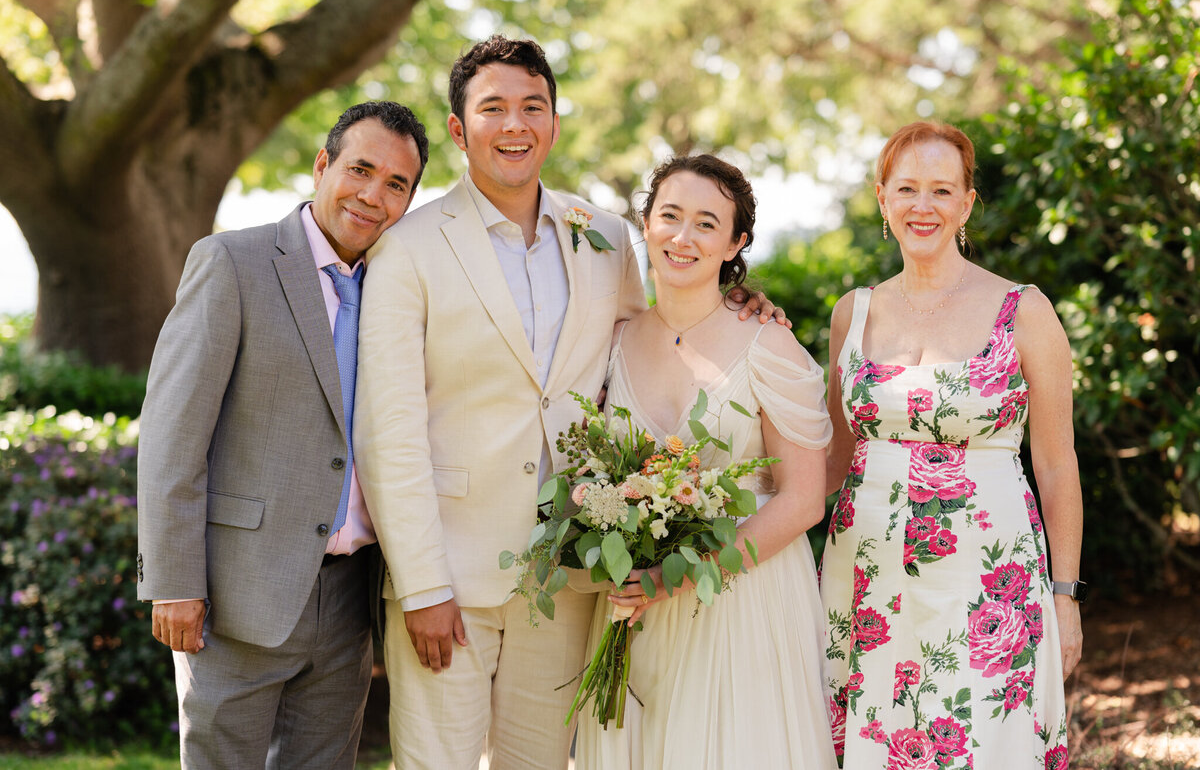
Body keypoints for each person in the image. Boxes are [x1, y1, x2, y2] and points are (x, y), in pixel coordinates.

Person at [354, 37, 784, 770]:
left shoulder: (605, 237)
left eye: (532, 107)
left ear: (553, 124)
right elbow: (387, 429)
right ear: (458, 128)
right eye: (492, 108)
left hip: (569, 569)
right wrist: (421, 586)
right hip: (450, 575)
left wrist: (738, 303)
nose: (514, 124)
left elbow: (649, 348)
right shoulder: (408, 247)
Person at [135, 101, 429, 769]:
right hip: (238, 593)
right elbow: (173, 435)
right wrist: (174, 582)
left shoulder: (397, 286)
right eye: (360, 170)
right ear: (323, 165)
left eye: (396, 184)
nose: (373, 196)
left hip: (351, 599)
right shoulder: (231, 263)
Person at [819, 121, 1084, 769]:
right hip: (865, 576)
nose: (923, 205)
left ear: (966, 204)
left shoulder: (1025, 310)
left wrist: (1065, 595)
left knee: (986, 739)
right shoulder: (851, 313)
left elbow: (1056, 465)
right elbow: (831, 460)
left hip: (987, 580)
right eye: (907, 188)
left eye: (941, 190)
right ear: (882, 199)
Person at [574, 155, 839, 770]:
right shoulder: (613, 341)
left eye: (706, 223)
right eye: (669, 216)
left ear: (735, 243)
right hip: (636, 610)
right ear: (646, 224)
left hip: (742, 601)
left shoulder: (768, 342)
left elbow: (804, 500)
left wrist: (680, 577)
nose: (682, 236)